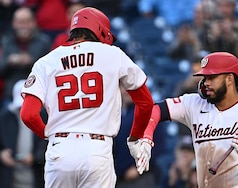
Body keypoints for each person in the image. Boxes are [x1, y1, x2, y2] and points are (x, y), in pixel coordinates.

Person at [19, 7, 154, 188]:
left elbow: (28, 115)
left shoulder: (46, 61)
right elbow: (145, 103)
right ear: (100, 30)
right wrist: (135, 137)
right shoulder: (113, 54)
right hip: (97, 149)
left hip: (60, 149)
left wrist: (48, 135)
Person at [138, 52, 238, 187]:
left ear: (229, 79)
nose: (205, 83)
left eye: (212, 78)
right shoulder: (194, 103)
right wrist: (147, 136)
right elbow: (156, 110)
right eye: (205, 78)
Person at [0, 6, 51, 108]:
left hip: (38, 94)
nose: (23, 26)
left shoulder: (44, 42)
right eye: (20, 22)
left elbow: (49, 71)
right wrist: (10, 61)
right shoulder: (6, 41)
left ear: (33, 22)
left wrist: (30, 62)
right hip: (11, 94)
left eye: (26, 21)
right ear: (13, 23)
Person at [0, 79, 48, 188]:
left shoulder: (45, 116)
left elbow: (48, 141)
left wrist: (35, 156)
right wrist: (1, 154)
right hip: (9, 179)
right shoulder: (4, 117)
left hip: (37, 178)